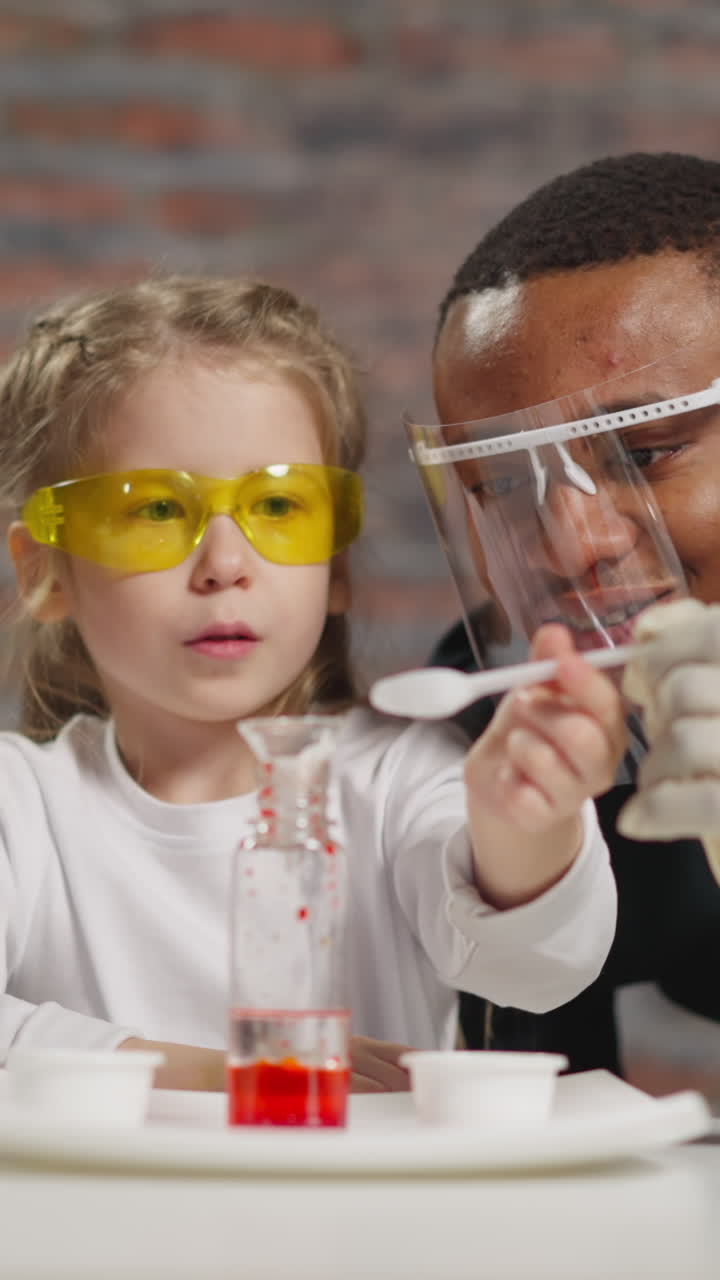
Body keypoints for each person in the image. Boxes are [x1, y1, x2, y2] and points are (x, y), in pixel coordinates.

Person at [0, 274, 624, 1092]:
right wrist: (241, 1078)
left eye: (280, 507)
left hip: (361, 1224)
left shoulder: (404, 776)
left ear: (334, 564)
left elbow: (539, 969)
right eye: (154, 510)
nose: (225, 566)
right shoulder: (24, 805)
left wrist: (528, 830)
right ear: (47, 572)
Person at [428, 150, 720, 1080]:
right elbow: (522, 1124)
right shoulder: (500, 735)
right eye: (507, 483)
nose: (568, 542)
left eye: (650, 449)